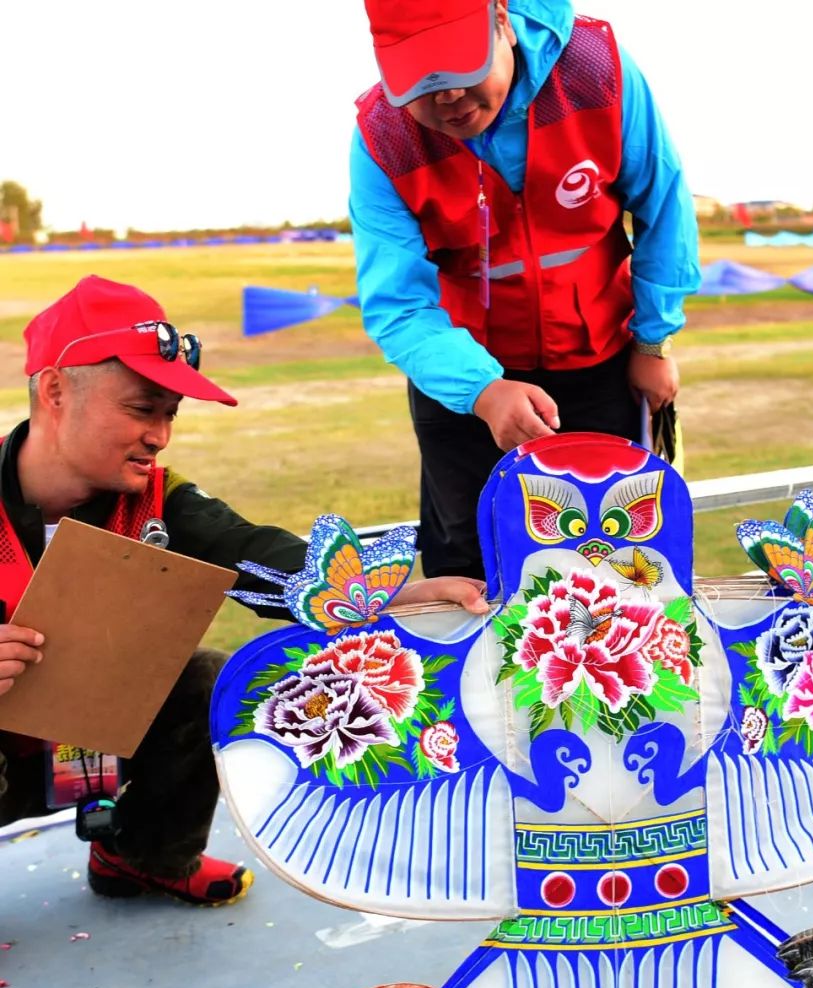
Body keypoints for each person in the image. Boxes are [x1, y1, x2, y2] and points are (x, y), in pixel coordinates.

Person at [0, 276, 488, 906]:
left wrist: (396, 595)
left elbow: (264, 557)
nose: (160, 436)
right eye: (141, 409)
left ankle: (146, 856)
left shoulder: (158, 499)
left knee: (207, 678)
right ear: (56, 390)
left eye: (170, 415)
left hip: (85, 743)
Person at [350, 0, 701, 580]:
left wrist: (651, 343)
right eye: (419, 82)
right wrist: (483, 391)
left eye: (462, 70)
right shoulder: (382, 135)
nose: (447, 99)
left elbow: (664, 207)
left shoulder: (598, 72)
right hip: (461, 382)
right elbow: (398, 305)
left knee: (613, 557)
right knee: (467, 560)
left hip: (599, 362)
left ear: (504, 23)